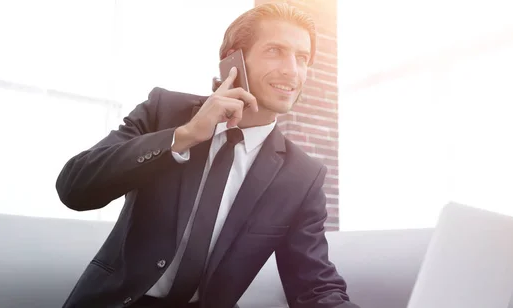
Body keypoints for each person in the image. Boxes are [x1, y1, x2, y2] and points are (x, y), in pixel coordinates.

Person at [56, 2, 358, 308]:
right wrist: (183, 137)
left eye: (302, 57)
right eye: (274, 51)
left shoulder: (301, 176)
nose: (292, 70)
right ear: (233, 61)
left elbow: (315, 285)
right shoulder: (164, 111)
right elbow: (74, 189)